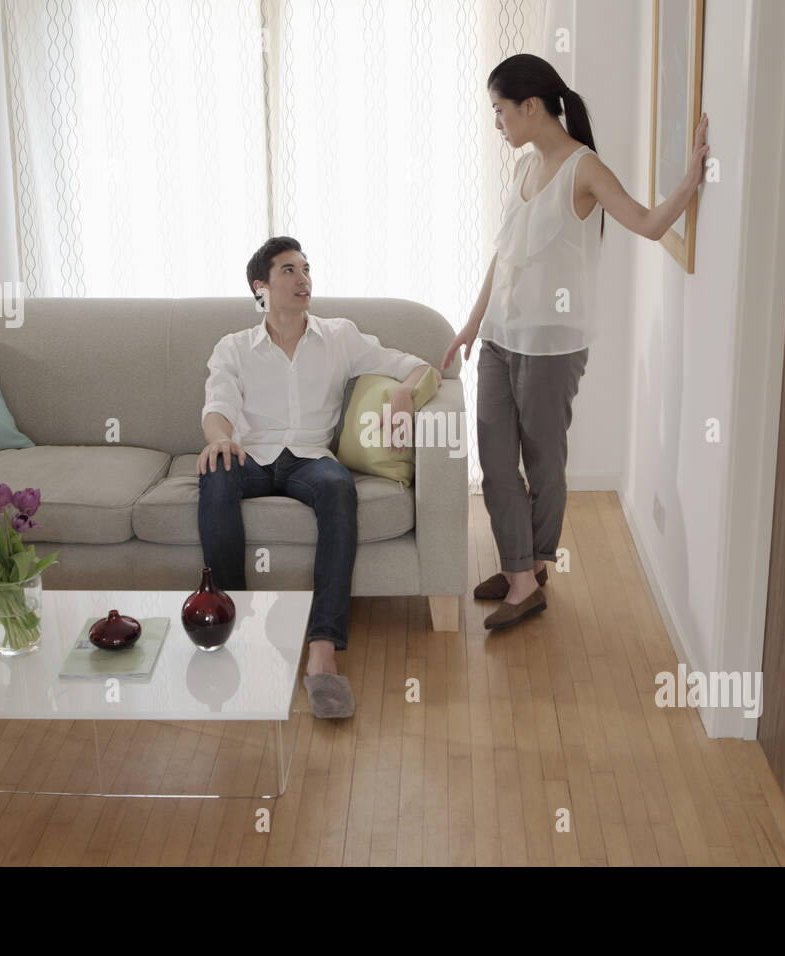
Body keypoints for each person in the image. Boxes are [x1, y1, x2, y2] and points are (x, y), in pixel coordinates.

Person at [442, 53, 708, 630]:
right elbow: (503, 255)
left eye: (499, 111)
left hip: (552, 349)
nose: (497, 124)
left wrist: (689, 182)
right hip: (499, 341)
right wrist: (470, 325)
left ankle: (531, 573)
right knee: (494, 462)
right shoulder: (522, 169)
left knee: (544, 464)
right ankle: (519, 572)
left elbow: (647, 224)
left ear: (530, 107)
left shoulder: (584, 169)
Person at [199, 236, 441, 718]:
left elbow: (414, 365)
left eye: (305, 269)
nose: (302, 278)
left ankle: (323, 650)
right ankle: (236, 630)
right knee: (216, 475)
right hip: (252, 453)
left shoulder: (340, 336)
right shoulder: (234, 347)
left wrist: (403, 395)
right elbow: (217, 407)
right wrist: (219, 438)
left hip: (310, 457)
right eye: (288, 270)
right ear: (260, 287)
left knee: (337, 489)